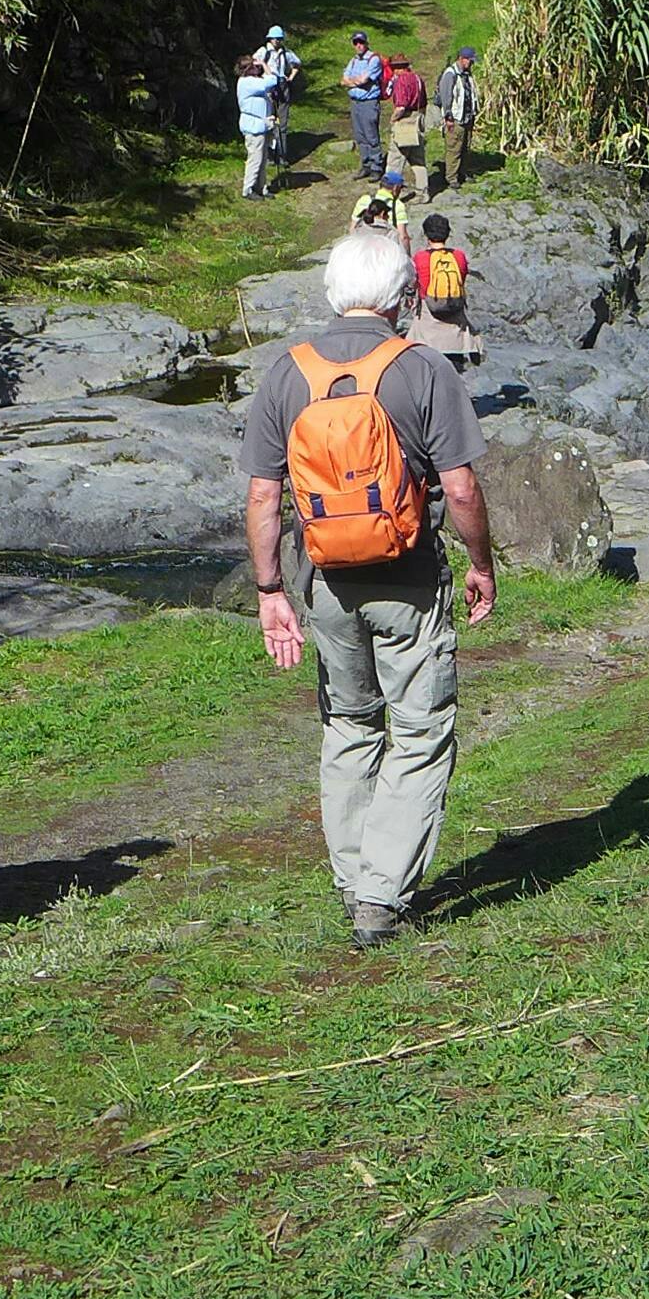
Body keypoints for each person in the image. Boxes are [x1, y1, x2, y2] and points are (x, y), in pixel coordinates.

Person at [243, 229, 498, 948]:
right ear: (401, 296)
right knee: (418, 730)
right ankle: (381, 897)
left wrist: (270, 590)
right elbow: (460, 485)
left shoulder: (286, 373)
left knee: (349, 725)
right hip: (409, 576)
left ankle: (357, 879)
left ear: (330, 290)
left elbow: (265, 495)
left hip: (325, 582)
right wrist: (482, 562)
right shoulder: (421, 367)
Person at [415, 213, 480, 372]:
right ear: (447, 234)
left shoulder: (420, 257)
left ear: (426, 234)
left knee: (426, 368)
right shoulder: (459, 256)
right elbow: (461, 280)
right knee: (454, 371)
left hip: (428, 319)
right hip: (454, 317)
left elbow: (415, 283)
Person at [433, 47, 480, 196]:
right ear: (462, 58)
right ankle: (451, 178)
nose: (471, 64)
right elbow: (447, 98)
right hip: (455, 119)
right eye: (470, 61)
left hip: (467, 118)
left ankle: (462, 173)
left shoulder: (467, 74)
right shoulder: (450, 75)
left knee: (465, 148)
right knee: (454, 149)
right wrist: (448, 118)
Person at [235, 48, 282, 199]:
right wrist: (264, 63)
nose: (258, 67)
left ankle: (261, 187)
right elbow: (272, 80)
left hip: (262, 125)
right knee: (255, 158)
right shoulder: (247, 82)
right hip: (253, 126)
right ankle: (248, 189)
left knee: (262, 158)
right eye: (254, 66)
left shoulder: (253, 81)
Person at [343, 31, 387, 181]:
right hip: (355, 102)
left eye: (361, 42)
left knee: (371, 135)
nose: (359, 45)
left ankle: (376, 166)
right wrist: (354, 81)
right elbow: (343, 80)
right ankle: (365, 164)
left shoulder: (373, 60)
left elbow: (364, 80)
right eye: (356, 43)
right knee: (360, 136)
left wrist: (352, 81)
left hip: (369, 102)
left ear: (366, 43)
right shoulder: (353, 61)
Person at [385, 53, 427, 187]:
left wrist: (393, 120)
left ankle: (389, 193)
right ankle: (422, 192)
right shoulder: (417, 78)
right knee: (418, 161)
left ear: (397, 68)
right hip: (417, 119)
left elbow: (401, 107)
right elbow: (424, 104)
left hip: (405, 121)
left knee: (395, 160)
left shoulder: (401, 80)